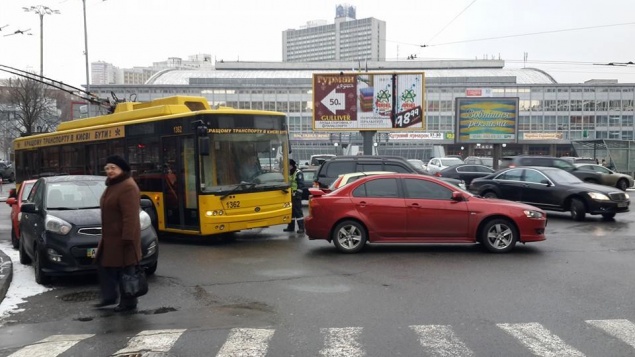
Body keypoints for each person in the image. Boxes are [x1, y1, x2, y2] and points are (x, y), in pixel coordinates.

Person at [94, 155, 143, 313]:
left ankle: (128, 302)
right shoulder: (114, 185)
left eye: (113, 168)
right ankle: (110, 297)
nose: (109, 171)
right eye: (107, 168)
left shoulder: (127, 186)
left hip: (123, 238)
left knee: (126, 270)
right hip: (111, 238)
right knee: (105, 265)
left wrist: (128, 237)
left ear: (122, 169)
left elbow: (130, 215)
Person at [283, 159, 305, 234]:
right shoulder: (289, 173)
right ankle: (291, 227)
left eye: (288, 166)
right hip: (289, 195)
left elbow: (301, 185)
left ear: (291, 165)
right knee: (291, 211)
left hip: (296, 195)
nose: (287, 167)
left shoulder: (298, 173)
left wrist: (297, 194)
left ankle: (301, 227)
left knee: (298, 212)